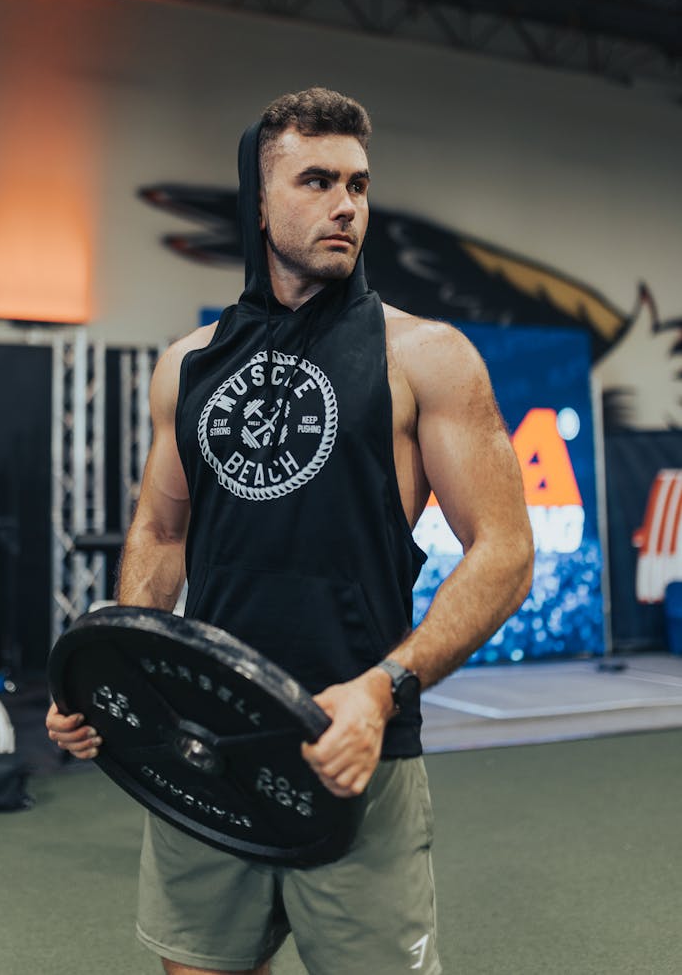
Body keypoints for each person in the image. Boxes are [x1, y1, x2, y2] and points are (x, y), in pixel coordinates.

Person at [47, 87, 534, 975]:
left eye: (358, 183)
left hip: (354, 752)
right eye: (316, 180)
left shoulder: (424, 357)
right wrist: (119, 679)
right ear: (259, 200)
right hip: (206, 746)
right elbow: (159, 534)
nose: (347, 204)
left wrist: (382, 688)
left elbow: (506, 549)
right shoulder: (186, 367)